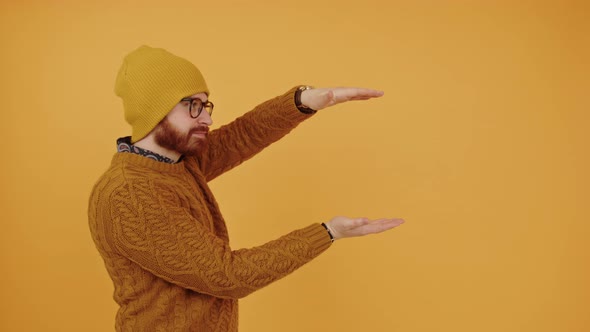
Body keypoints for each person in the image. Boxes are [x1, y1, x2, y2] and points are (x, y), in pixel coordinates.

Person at [88, 45, 405, 332]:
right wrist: (327, 232)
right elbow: (227, 275)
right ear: (154, 109)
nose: (207, 120)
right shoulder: (130, 195)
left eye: (205, 105)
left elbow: (241, 136)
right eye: (192, 106)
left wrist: (303, 102)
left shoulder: (177, 163)